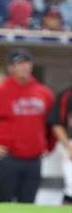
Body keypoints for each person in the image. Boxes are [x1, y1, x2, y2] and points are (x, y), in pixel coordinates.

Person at [0, 49, 54, 203]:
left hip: (34, 158)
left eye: (27, 62)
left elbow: (52, 124)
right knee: (5, 202)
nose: (24, 66)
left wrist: (48, 146)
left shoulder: (44, 93)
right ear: (11, 68)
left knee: (28, 203)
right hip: (6, 157)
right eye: (19, 63)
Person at [47, 64, 72, 204]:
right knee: (71, 188)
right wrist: (68, 147)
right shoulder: (65, 94)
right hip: (69, 142)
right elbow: (56, 124)